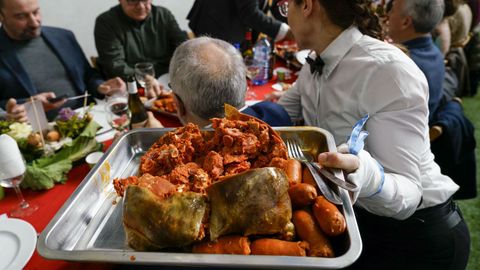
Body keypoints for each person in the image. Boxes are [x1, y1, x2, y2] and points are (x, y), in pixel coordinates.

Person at [276, 0, 470, 269]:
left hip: (419, 238)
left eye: (287, 9)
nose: (286, 19)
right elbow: (278, 114)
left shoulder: (387, 71)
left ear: (307, 6)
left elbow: (409, 194)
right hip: (362, 222)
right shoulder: (314, 62)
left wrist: (365, 174)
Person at [0, 0, 125, 120]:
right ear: (1, 16)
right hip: (38, 134)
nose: (34, 22)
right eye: (21, 17)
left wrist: (101, 86)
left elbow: (88, 75)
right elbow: (5, 105)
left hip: (88, 118)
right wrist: (19, 108)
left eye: (36, 12)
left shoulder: (63, 36)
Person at [147, 36, 293, 128]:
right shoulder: (275, 113)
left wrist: (159, 136)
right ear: (245, 90)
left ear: (178, 106)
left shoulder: (182, 165)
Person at [94, 0, 188, 80]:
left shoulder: (163, 15)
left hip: (169, 78)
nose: (140, 6)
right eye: (133, 0)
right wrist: (146, 79)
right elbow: (115, 66)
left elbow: (184, 48)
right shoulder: (106, 23)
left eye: (144, 0)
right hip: (131, 83)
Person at [387, 0, 446, 122]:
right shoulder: (435, 53)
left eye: (391, 10)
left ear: (405, 22)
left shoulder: (402, 64)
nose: (387, 16)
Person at [187, 0, 294, 44]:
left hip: (234, 22)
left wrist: (297, 25)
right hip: (216, 21)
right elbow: (250, 13)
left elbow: (277, 4)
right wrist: (286, 32)